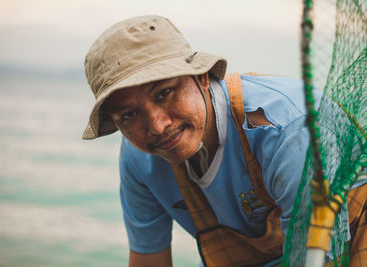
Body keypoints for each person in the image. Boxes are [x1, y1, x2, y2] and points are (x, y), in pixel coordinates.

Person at [81, 15, 319, 267]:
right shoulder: (139, 157)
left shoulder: (288, 132)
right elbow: (148, 259)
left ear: (202, 77)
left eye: (164, 93)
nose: (158, 126)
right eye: (129, 115)